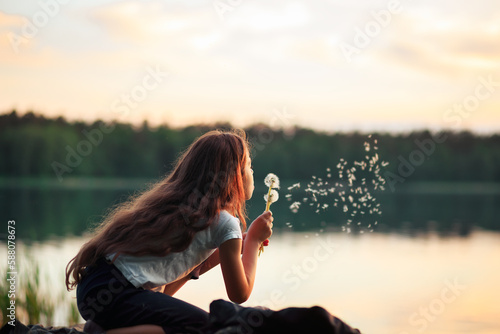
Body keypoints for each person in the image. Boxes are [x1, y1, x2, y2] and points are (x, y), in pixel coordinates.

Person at [65, 129, 273, 334]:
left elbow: (167, 280)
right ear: (234, 175)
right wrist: (254, 240)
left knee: (186, 321)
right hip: (117, 296)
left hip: (95, 288)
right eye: (248, 166)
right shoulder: (225, 222)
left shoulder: (183, 209)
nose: (252, 172)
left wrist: (236, 247)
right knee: (205, 326)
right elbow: (239, 293)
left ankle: (102, 327)